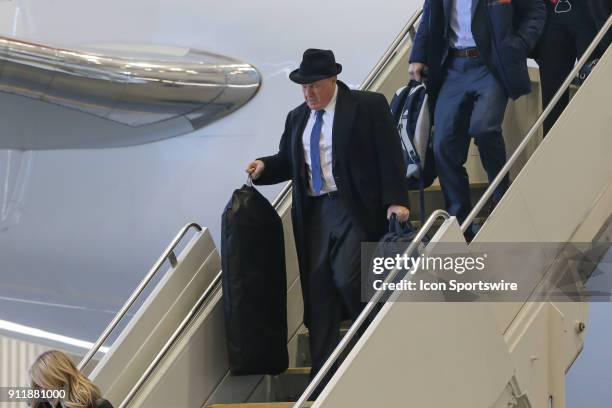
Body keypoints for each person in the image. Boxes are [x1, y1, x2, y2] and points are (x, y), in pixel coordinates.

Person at [246, 48, 409, 378]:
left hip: (354, 207)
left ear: (333, 79)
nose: (309, 93)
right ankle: (321, 379)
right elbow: (288, 162)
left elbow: (391, 154)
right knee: (319, 295)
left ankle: (376, 343)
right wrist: (263, 167)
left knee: (347, 279)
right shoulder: (297, 118)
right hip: (315, 212)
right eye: (304, 87)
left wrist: (396, 199)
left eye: (315, 86)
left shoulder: (368, 106)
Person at [408, 0, 546, 239]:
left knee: (484, 128)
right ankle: (460, 222)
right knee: (443, 146)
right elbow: (428, 17)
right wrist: (417, 56)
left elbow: (536, 10)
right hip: (452, 67)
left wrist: (520, 44)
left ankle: (501, 195)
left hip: (491, 65)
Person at [534, 0, 601, 135]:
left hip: (589, 11)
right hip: (551, 12)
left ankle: (597, 149)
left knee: (595, 86)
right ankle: (552, 153)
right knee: (552, 98)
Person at [29, 350, 113, 408]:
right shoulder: (45, 404)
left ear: (60, 377)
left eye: (46, 385)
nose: (43, 392)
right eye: (39, 387)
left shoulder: (99, 405)